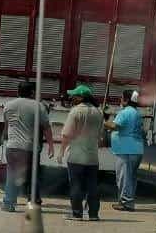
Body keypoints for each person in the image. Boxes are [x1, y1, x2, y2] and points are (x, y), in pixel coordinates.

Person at [0, 81, 54, 212]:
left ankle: (8, 203)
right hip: (29, 148)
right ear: (32, 92)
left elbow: (6, 128)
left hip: (12, 147)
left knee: (12, 175)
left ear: (18, 92)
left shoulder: (8, 106)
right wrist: (51, 146)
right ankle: (33, 204)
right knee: (32, 177)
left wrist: (5, 140)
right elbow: (46, 128)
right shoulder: (38, 106)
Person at [58, 84, 104, 221]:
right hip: (92, 157)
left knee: (76, 184)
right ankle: (94, 214)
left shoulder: (75, 111)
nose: (72, 98)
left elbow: (66, 135)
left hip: (76, 156)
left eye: (74, 96)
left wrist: (61, 152)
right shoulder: (99, 112)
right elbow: (101, 137)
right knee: (92, 186)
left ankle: (77, 214)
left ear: (81, 97)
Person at [105, 89, 144, 211]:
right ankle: (128, 201)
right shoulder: (136, 113)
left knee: (124, 177)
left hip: (127, 149)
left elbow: (115, 126)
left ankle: (126, 203)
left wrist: (103, 121)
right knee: (131, 177)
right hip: (136, 149)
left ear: (126, 100)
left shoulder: (125, 112)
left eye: (122, 98)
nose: (120, 100)